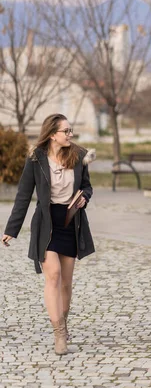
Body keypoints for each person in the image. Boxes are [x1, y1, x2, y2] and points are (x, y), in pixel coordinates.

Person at [2, 114, 95, 355]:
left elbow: (87, 186)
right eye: (66, 131)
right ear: (52, 134)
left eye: (70, 130)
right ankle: (59, 334)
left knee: (66, 282)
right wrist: (11, 230)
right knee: (52, 276)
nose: (70, 134)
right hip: (46, 224)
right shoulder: (36, 159)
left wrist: (84, 197)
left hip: (71, 222)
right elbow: (23, 195)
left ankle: (63, 323)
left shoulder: (78, 156)